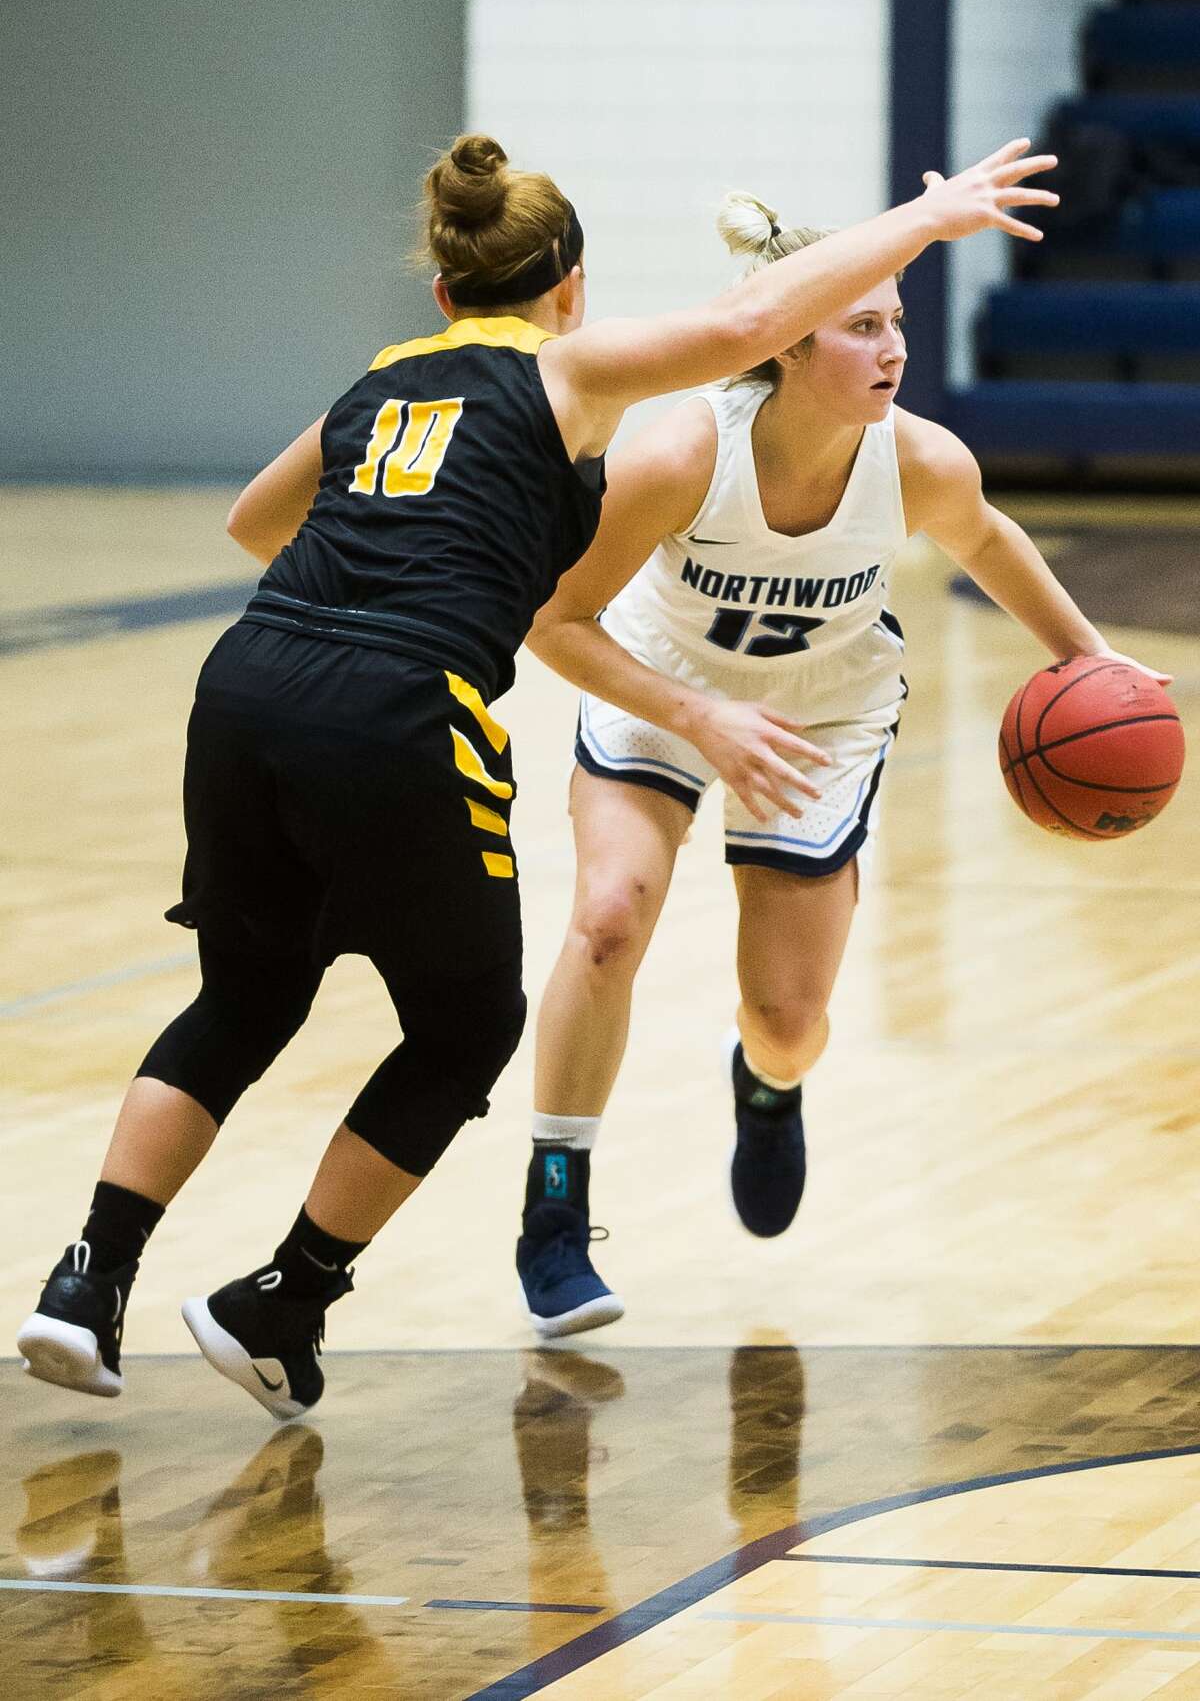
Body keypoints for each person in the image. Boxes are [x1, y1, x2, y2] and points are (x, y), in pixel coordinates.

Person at [17, 131, 1059, 1418]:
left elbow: (252, 524)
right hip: (397, 704)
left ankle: (84, 1281)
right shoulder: (571, 371)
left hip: (246, 685)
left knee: (243, 998)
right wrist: (931, 218)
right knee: (464, 1028)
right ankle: (283, 1297)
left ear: (447, 293)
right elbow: (753, 315)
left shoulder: (386, 379)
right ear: (569, 282)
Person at [515, 186, 1170, 1339]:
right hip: (665, 690)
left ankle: (766, 1084)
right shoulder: (676, 452)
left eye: (899, 322)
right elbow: (555, 624)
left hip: (822, 713)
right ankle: (556, 1209)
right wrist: (699, 716)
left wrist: (1094, 664)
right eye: (863, 325)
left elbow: (991, 540)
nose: (895, 347)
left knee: (788, 1015)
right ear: (785, 340)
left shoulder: (919, 463)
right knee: (609, 916)